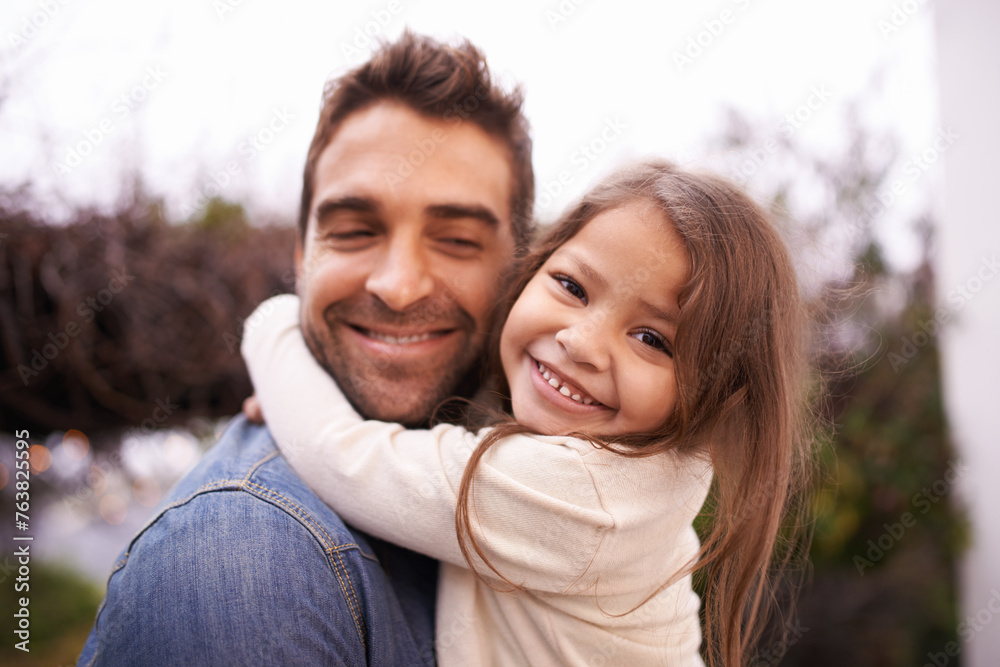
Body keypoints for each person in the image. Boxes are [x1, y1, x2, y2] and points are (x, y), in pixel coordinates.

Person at [241, 159, 818, 667]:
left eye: (651, 338)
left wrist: (277, 328)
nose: (582, 342)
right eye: (571, 285)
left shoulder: (585, 499)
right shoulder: (641, 464)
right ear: (534, 267)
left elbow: (341, 456)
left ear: (718, 394)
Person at [78, 31, 534, 666]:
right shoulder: (244, 567)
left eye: (457, 239)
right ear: (301, 257)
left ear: (519, 273)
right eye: (354, 231)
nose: (399, 287)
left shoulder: (533, 487)